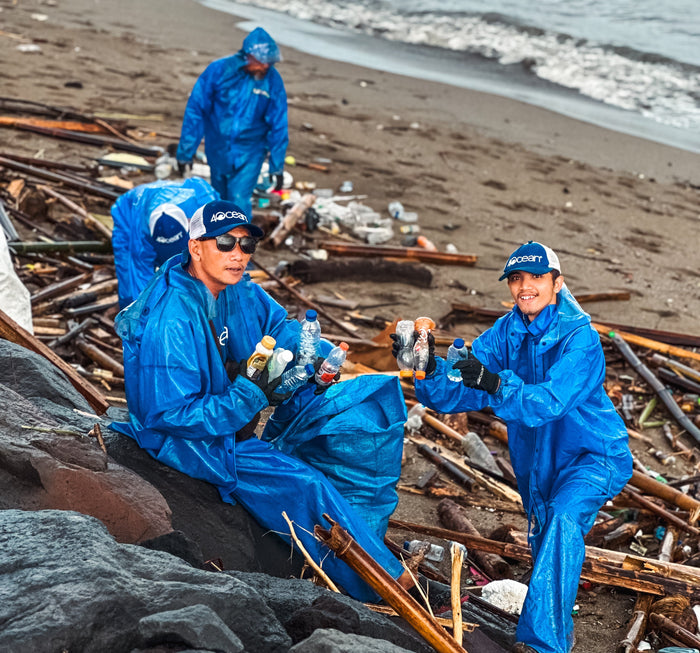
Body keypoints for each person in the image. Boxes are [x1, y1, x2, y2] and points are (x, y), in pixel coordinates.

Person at [112, 200, 412, 601]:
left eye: (246, 245)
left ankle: (362, 537)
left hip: (231, 416)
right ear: (195, 246)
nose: (237, 254)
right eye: (224, 243)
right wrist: (249, 395)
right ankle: (378, 583)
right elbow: (168, 415)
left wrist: (314, 350)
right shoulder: (173, 319)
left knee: (355, 409)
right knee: (304, 485)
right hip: (188, 441)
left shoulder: (236, 291)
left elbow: (280, 326)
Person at [407, 241, 633, 653]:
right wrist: (427, 367)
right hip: (537, 458)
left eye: (536, 277)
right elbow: (462, 388)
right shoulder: (506, 331)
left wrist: (494, 382)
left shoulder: (581, 340)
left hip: (592, 454)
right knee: (545, 535)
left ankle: (544, 645)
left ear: (557, 283)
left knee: (563, 521)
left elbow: (548, 403)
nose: (524, 286)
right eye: (516, 278)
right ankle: (558, 626)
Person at [175, 27, 288, 219]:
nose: (265, 67)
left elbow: (279, 124)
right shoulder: (219, 71)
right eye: (261, 62)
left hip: (251, 150)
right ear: (249, 56)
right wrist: (186, 152)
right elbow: (196, 111)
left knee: (238, 199)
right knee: (219, 199)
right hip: (217, 147)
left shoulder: (272, 81)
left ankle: (241, 244)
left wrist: (277, 165)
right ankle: (221, 243)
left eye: (268, 63)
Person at [111, 176, 217, 309]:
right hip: (128, 215)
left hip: (163, 202)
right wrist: (141, 313)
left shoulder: (204, 208)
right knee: (129, 278)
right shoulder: (141, 232)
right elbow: (140, 274)